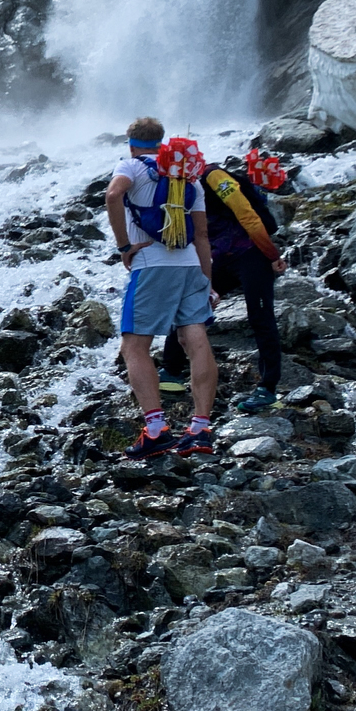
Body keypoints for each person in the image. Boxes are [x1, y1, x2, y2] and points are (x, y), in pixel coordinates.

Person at [105, 119, 219, 459]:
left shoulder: (131, 166)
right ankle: (200, 429)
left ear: (131, 144)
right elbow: (201, 235)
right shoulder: (188, 177)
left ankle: (155, 430)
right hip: (189, 267)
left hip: (152, 265)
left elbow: (113, 194)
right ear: (162, 143)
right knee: (195, 338)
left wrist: (124, 246)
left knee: (135, 346)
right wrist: (207, 281)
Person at [158, 150, 290, 412]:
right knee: (189, 304)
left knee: (260, 316)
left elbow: (247, 214)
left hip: (251, 252)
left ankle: (268, 388)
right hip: (218, 257)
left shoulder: (214, 176)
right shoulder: (175, 187)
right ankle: (171, 372)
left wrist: (272, 254)